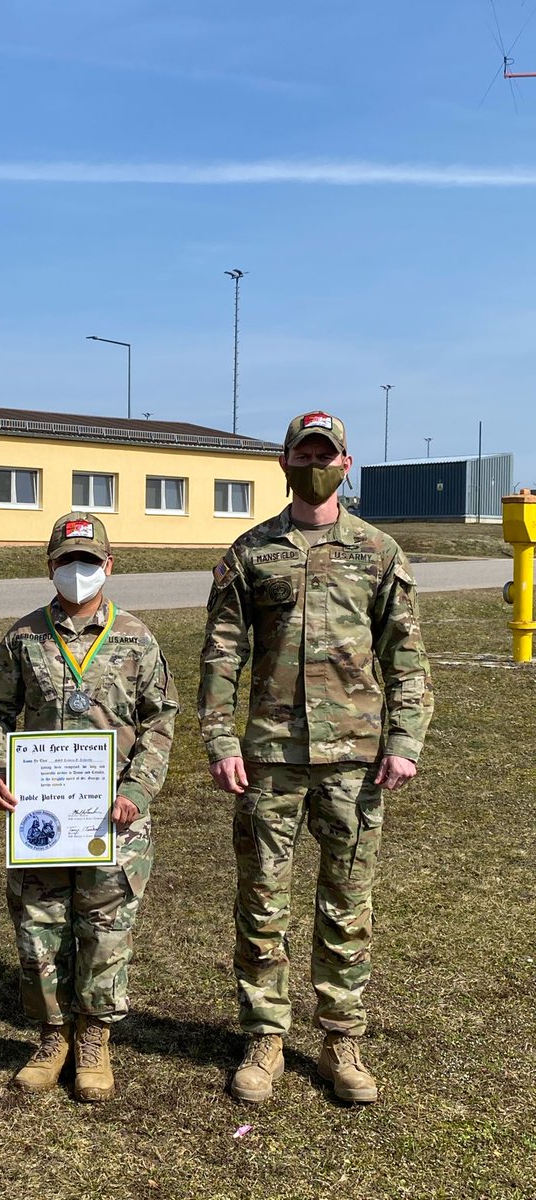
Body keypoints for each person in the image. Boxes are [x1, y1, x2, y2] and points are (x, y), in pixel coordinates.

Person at [198, 411, 433, 1105]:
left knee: (347, 902)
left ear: (346, 462)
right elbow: (220, 657)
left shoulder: (379, 552)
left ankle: (339, 1038)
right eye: (304, 451)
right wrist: (218, 739)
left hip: (356, 762)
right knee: (263, 900)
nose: (314, 463)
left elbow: (408, 659)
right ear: (285, 462)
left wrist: (404, 742)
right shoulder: (251, 553)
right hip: (268, 759)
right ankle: (265, 1036)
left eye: (325, 453)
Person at [0, 512, 178, 1102]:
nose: (77, 571)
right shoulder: (24, 637)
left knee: (106, 929)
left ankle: (94, 1039)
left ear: (109, 566)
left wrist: (137, 790)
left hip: (115, 818)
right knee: (40, 927)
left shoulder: (137, 637)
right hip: (40, 819)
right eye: (67, 561)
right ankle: (52, 1035)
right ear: (50, 567)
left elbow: (161, 720)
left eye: (88, 561)